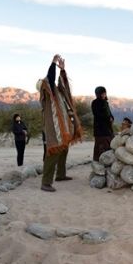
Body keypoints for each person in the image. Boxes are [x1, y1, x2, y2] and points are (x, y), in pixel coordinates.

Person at [38, 54, 83, 192]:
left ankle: (60, 174)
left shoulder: (58, 94)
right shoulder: (48, 95)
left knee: (64, 149)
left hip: (64, 128)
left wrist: (62, 70)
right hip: (54, 129)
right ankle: (45, 182)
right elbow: (50, 79)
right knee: (53, 152)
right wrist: (53, 63)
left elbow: (64, 85)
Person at [91, 86, 113, 161]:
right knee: (100, 146)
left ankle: (108, 161)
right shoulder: (95, 103)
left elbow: (109, 113)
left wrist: (111, 117)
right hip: (100, 129)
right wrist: (107, 118)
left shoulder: (105, 102)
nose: (104, 95)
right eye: (102, 94)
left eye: (104, 93)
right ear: (98, 94)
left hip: (108, 128)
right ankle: (99, 161)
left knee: (109, 144)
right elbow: (97, 114)